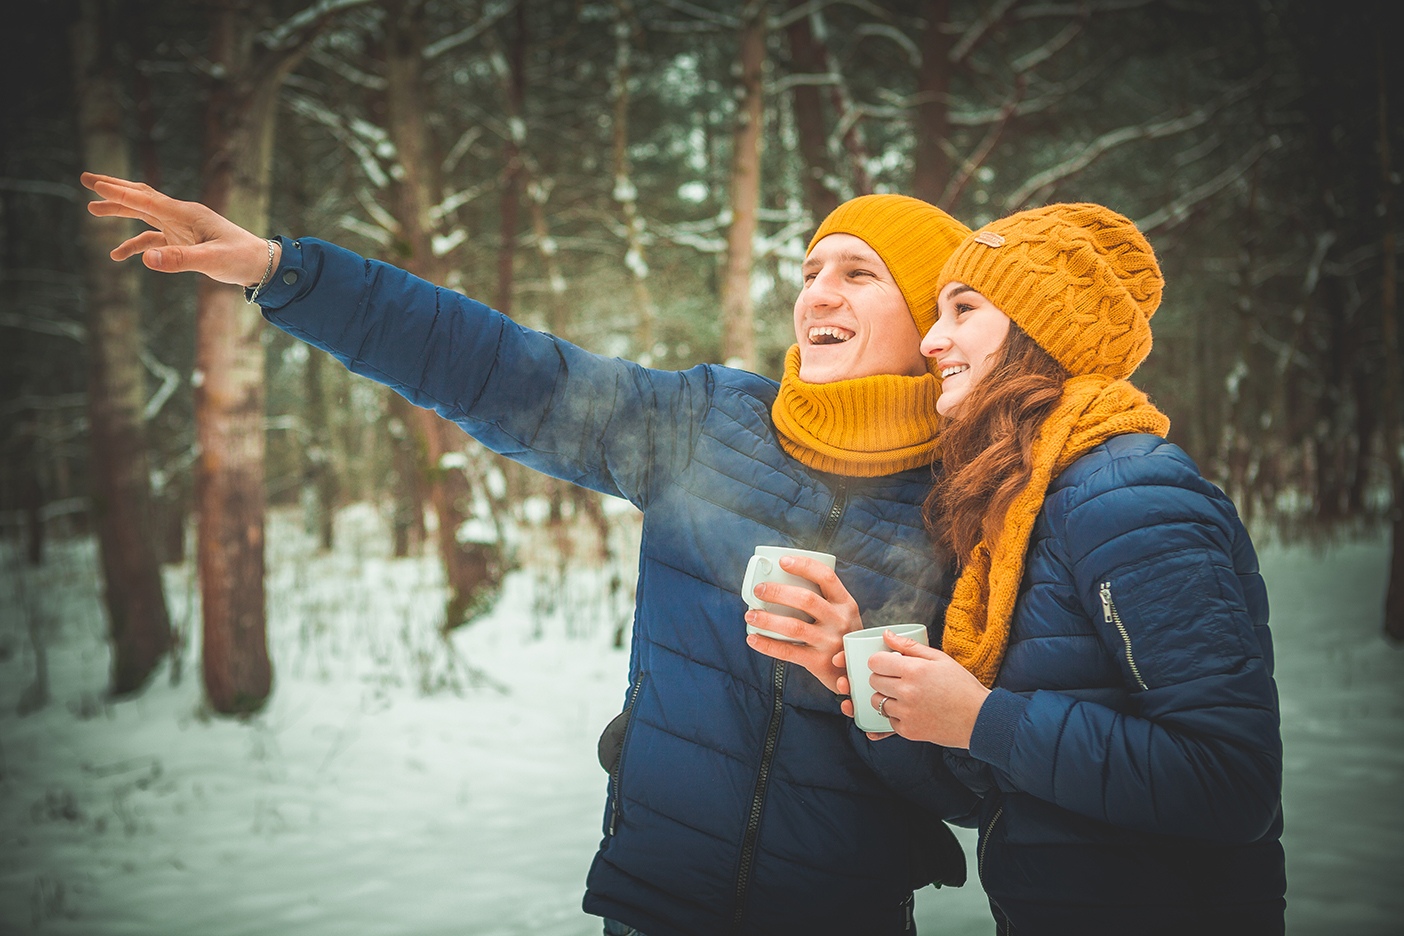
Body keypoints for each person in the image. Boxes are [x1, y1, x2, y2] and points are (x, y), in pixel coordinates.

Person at [82, 172, 983, 936]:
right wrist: (286, 271)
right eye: (812, 268)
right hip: (656, 900)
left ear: (931, 322)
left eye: (859, 273)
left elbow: (978, 776)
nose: (817, 292)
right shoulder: (706, 423)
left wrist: (855, 674)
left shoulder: (970, 508)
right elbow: (492, 364)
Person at [765, 202, 1286, 933]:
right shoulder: (1019, 510)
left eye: (963, 309)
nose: (932, 338)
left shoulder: (1130, 492)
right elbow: (994, 798)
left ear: (1041, 331)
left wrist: (982, 717)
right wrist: (875, 684)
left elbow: (1232, 784)